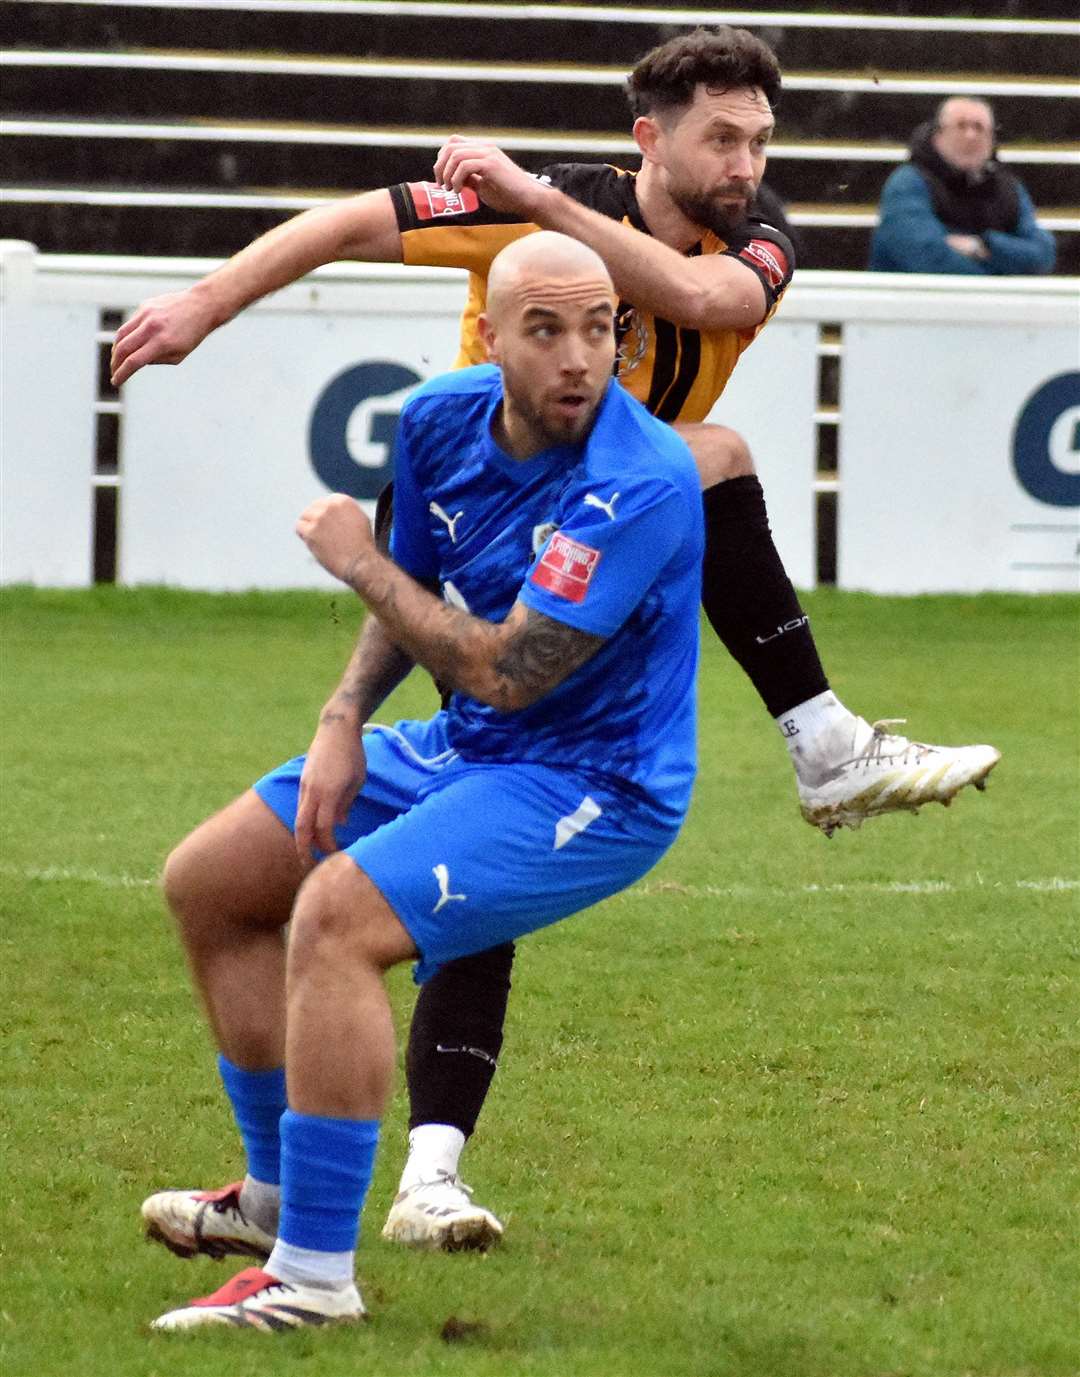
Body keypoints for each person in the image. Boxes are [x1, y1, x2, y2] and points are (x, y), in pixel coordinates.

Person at [115, 27, 1000, 1254]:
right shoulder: (513, 277)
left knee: (697, 484)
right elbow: (347, 223)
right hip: (469, 551)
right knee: (362, 869)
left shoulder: (742, 237)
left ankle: (373, 1206)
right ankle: (374, 1183)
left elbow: (703, 299)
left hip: (597, 572)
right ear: (650, 138)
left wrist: (524, 189)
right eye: (722, 137)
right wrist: (204, 304)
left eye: (760, 138)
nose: (748, 162)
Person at [146, 231, 704, 1330]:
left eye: (600, 328)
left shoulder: (638, 482)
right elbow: (414, 586)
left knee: (335, 921)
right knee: (209, 882)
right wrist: (345, 712)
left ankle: (313, 1279)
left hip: (596, 783)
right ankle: (269, 1199)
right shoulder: (440, 419)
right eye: (544, 330)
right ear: (488, 336)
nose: (579, 357)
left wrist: (351, 557)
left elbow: (500, 669)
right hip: (470, 744)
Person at [869, 96, 1056, 275]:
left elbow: (1042, 254)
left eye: (979, 127)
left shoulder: (1009, 189)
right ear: (937, 136)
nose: (970, 136)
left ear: (992, 139)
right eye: (961, 126)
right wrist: (1000, 278)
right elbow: (926, 257)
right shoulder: (908, 184)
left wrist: (983, 245)